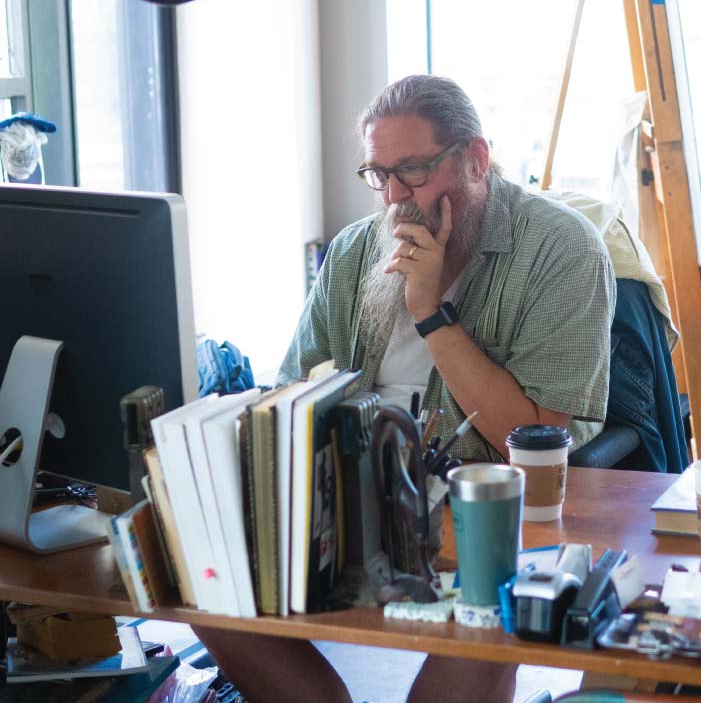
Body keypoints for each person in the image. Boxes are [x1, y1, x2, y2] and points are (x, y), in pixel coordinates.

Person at [194, 75, 615, 702]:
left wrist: (431, 313)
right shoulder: (354, 253)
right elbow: (291, 396)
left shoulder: (559, 248)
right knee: (201, 578)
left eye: (413, 172)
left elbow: (537, 437)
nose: (393, 197)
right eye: (377, 174)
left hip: (480, 510)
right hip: (353, 505)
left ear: (474, 159)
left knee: (484, 611)